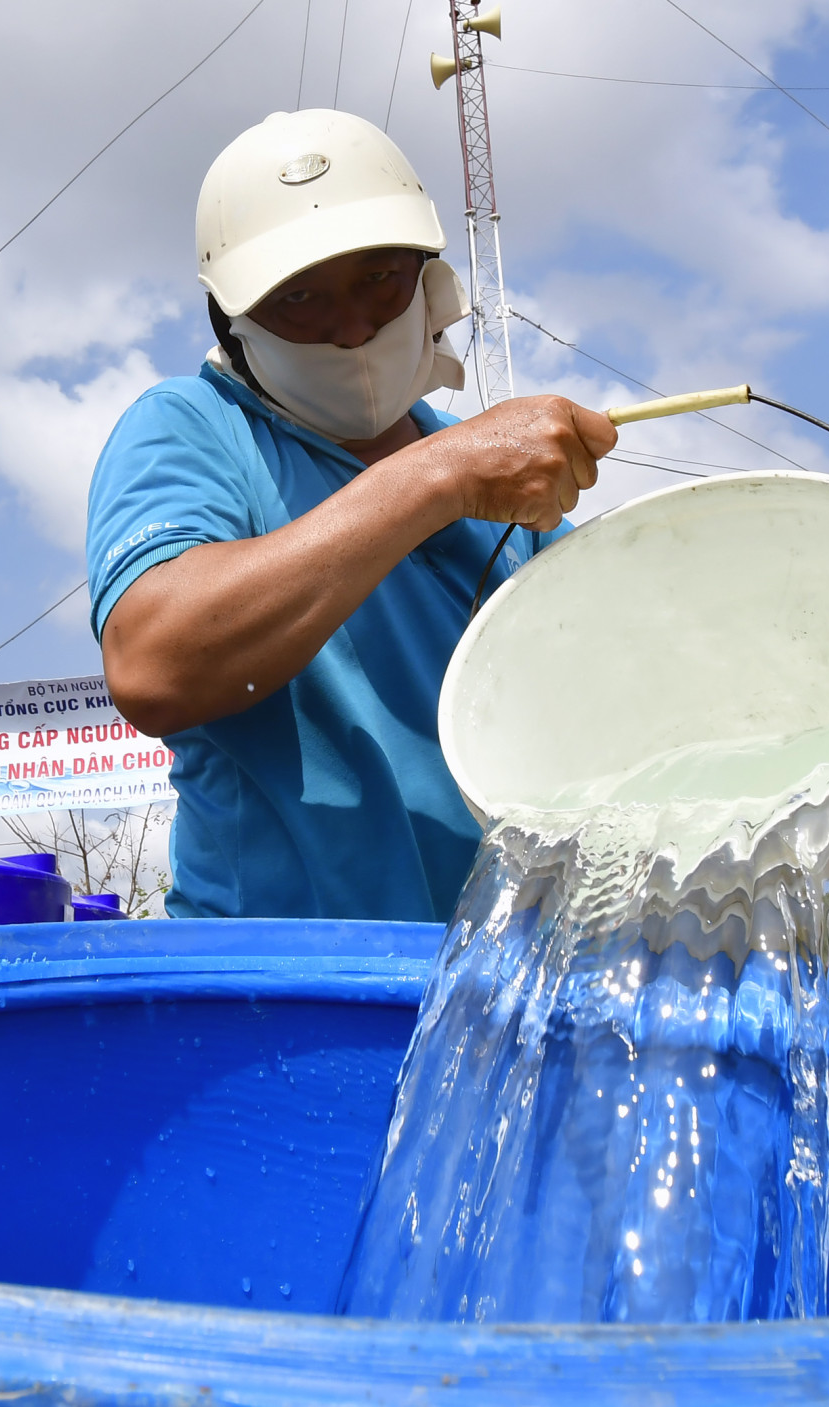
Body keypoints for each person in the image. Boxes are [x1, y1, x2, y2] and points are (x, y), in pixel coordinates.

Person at [86, 109, 616, 922]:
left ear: (428, 279)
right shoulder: (191, 427)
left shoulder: (510, 491)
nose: (353, 328)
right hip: (280, 996)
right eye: (300, 298)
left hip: (495, 991)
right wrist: (440, 474)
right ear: (234, 320)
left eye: (379, 278)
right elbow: (154, 661)